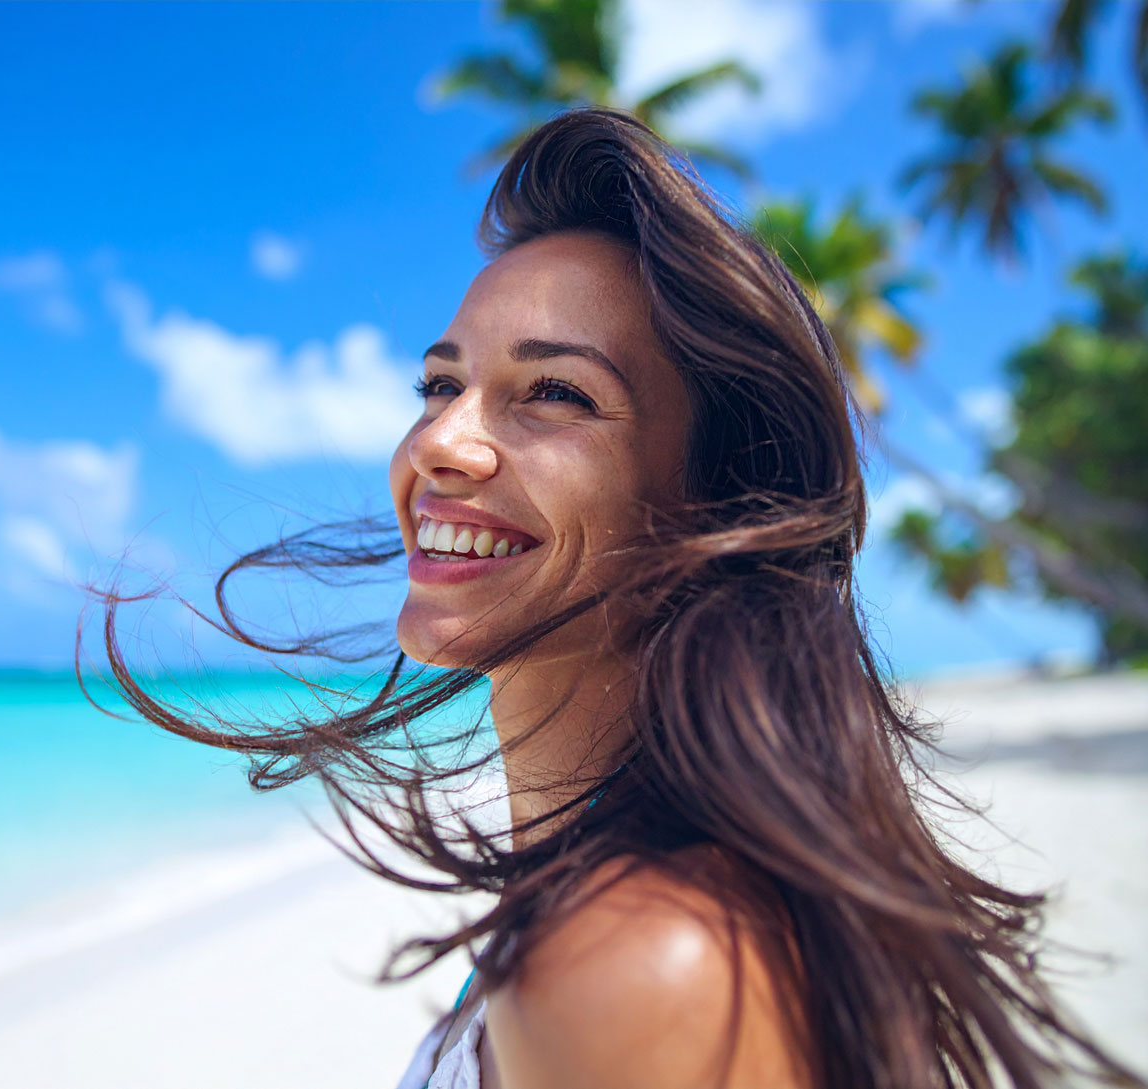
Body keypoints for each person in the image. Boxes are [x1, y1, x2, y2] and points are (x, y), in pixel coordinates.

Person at [86, 107, 1144, 1089]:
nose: (440, 443)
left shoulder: (633, 959)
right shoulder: (632, 901)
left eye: (554, 392)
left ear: (708, 501)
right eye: (441, 384)